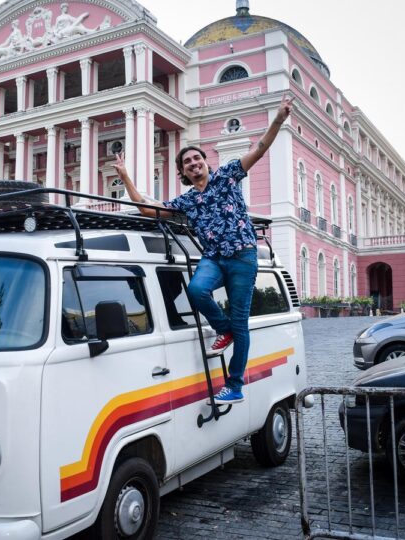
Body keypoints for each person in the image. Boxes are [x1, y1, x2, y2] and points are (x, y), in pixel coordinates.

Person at [112, 95, 295, 404]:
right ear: (183, 172)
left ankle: (234, 385)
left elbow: (260, 149)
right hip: (213, 257)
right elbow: (148, 209)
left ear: (205, 162)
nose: (194, 163)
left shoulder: (227, 176)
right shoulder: (185, 201)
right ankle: (225, 330)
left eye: (197, 159)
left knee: (240, 322)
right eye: (187, 162)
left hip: (242, 255)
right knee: (196, 291)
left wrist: (278, 119)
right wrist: (126, 178)